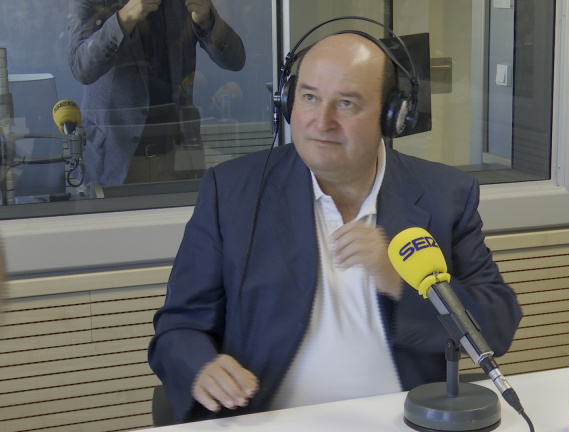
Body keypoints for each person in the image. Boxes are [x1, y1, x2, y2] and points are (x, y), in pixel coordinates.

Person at [148, 31, 523, 423]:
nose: (321, 121)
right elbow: (179, 327)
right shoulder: (232, 192)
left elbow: (497, 325)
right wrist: (200, 367)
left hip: (405, 421)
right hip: (271, 421)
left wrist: (398, 280)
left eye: (346, 103)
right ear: (288, 101)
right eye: (309, 97)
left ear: (392, 116)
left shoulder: (444, 194)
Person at [68, 0, 246, 187]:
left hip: (178, 156)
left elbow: (236, 60)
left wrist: (207, 21)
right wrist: (124, 19)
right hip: (114, 162)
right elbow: (81, 67)